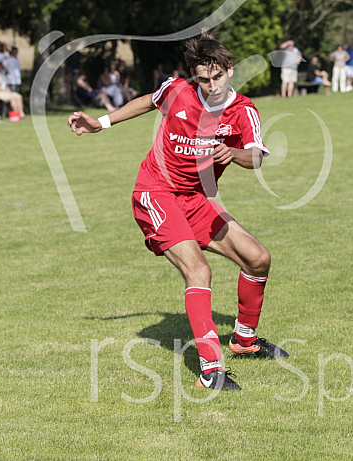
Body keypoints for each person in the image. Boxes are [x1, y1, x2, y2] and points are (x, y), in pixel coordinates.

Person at [68, 31, 289, 392]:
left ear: (230, 70)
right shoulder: (178, 90)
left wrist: (232, 154)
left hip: (195, 200)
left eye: (217, 76)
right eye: (203, 78)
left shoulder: (243, 110)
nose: (211, 85)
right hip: (155, 193)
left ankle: (244, 340)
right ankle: (210, 371)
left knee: (258, 258)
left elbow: (256, 156)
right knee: (199, 270)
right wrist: (101, 123)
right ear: (194, 76)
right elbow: (147, 101)